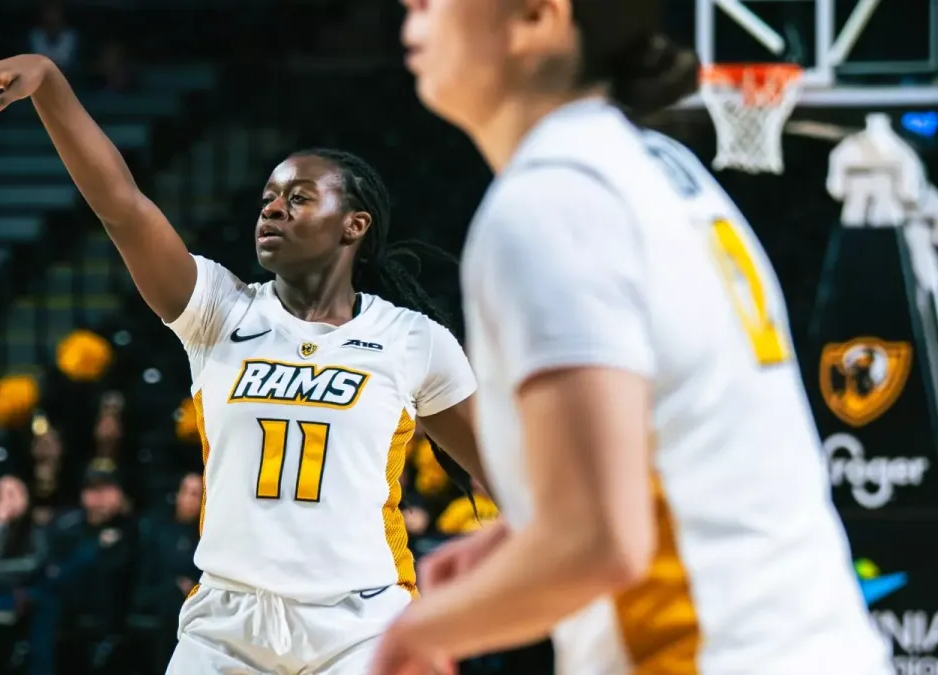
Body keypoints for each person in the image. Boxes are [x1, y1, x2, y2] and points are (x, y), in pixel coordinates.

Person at [370, 1, 896, 674]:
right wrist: (520, 532)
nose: (413, 6)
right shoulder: (659, 169)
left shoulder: (553, 202)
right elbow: (684, 452)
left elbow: (599, 541)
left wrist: (416, 634)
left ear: (538, 16)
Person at [0, 54, 483, 674]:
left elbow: (508, 477)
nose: (271, 209)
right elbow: (122, 207)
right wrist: (50, 83)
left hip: (362, 624)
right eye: (267, 197)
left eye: (298, 198)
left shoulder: (412, 340)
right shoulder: (219, 310)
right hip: (228, 628)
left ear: (354, 226)